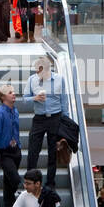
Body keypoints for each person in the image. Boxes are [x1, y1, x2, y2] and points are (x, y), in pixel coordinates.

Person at [25, 57, 67, 190]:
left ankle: (50, 184)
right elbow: (25, 99)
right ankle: (30, 182)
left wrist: (65, 123)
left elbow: (64, 102)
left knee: (53, 152)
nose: (37, 73)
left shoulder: (59, 79)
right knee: (33, 151)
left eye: (39, 70)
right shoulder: (32, 80)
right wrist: (35, 98)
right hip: (39, 118)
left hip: (55, 118)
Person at [0, 83, 22, 207]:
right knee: (15, 179)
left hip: (15, 150)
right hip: (3, 152)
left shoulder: (15, 111)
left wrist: (18, 145)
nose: (14, 94)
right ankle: (14, 202)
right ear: (3, 97)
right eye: (10, 92)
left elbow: (15, 130)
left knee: (8, 182)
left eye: (13, 92)